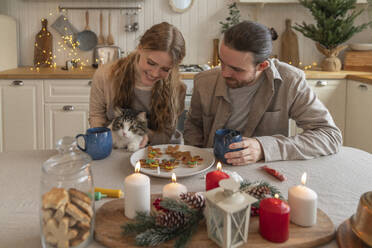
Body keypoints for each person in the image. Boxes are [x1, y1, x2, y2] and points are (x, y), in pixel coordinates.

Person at [184, 21, 342, 165]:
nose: (224, 73)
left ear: (263, 66)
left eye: (236, 69)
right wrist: (197, 163)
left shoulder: (291, 81)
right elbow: (193, 127)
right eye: (222, 62)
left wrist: (263, 147)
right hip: (213, 169)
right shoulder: (204, 81)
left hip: (264, 170)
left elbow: (329, 136)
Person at [89, 22, 186, 146]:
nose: (155, 73)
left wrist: (143, 134)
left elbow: (166, 136)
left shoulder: (177, 88)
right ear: (140, 48)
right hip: (113, 148)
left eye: (165, 69)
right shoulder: (105, 76)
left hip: (156, 153)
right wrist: (102, 142)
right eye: (151, 63)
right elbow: (97, 117)